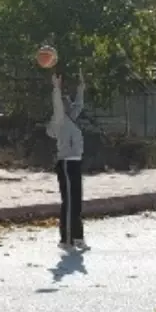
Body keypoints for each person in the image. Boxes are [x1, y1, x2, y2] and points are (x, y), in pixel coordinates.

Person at [48, 69, 88, 252]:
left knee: (77, 202)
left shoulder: (71, 118)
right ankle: (66, 240)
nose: (68, 101)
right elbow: (57, 105)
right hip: (65, 163)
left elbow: (79, 104)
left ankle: (78, 238)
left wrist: (81, 86)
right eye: (65, 101)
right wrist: (56, 88)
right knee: (69, 202)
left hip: (76, 162)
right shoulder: (59, 120)